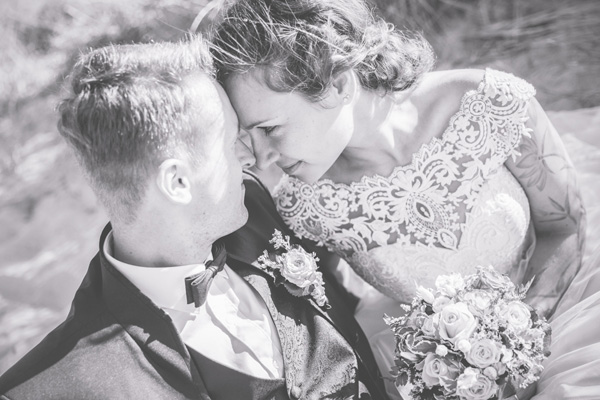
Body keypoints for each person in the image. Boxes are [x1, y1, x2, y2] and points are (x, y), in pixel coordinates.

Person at [209, 0, 600, 398]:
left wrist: (513, 346)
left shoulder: (488, 103)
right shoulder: (304, 206)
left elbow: (564, 225)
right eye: (247, 136)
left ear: (340, 85)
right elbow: (327, 311)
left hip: (570, 312)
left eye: (271, 129)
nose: (260, 157)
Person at [0, 37, 390, 399]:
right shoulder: (59, 384)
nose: (251, 157)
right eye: (230, 142)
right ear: (178, 182)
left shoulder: (258, 211)